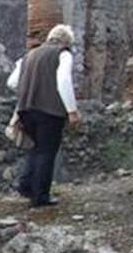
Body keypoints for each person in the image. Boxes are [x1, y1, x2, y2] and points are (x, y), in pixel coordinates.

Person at [6, 24, 81, 207]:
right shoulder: (63, 54)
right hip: (50, 111)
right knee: (47, 152)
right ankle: (40, 196)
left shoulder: (28, 56)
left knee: (35, 149)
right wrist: (72, 110)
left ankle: (26, 186)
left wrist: (29, 90)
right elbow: (64, 81)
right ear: (66, 42)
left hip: (26, 109)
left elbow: (12, 82)